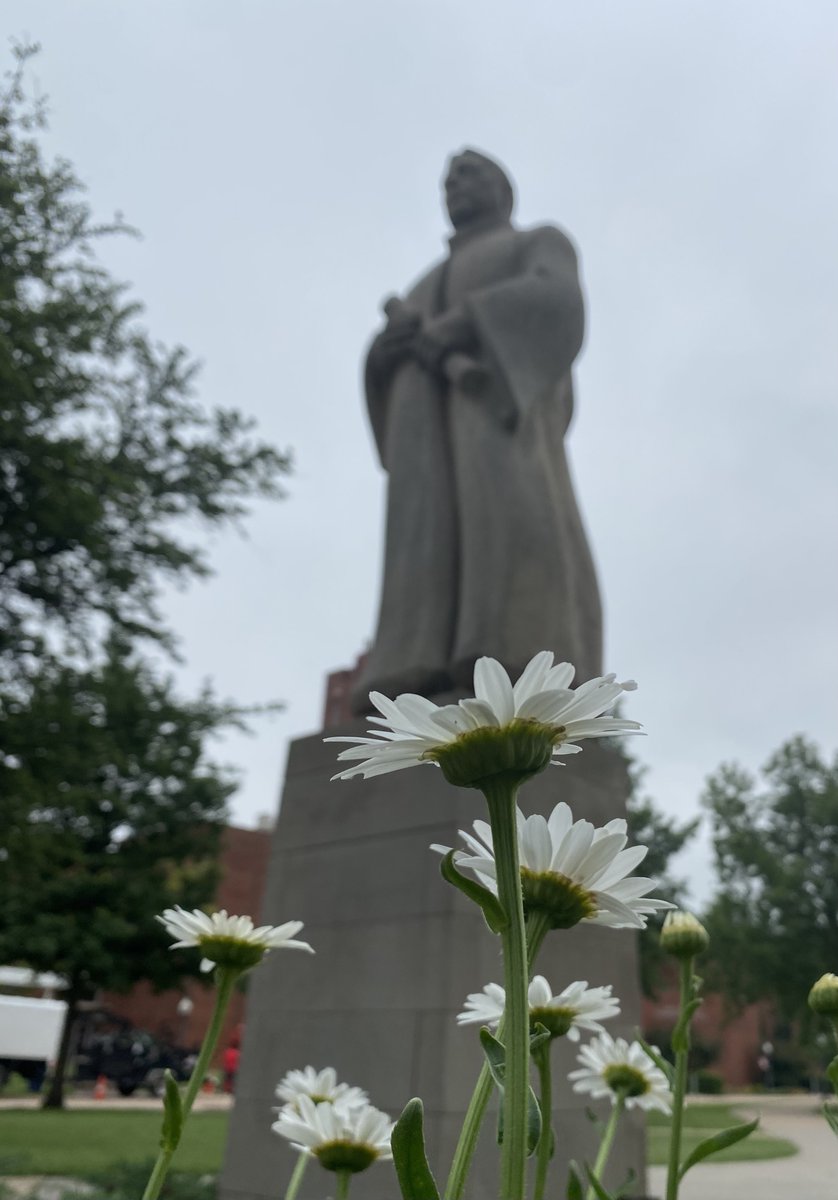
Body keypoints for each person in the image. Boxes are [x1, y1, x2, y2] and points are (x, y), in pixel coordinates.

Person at [352, 149, 602, 712]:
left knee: (509, 527)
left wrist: (464, 324)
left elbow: (558, 300)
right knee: (421, 547)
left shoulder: (535, 242)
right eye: (447, 180)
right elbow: (381, 357)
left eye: (471, 174)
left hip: (493, 419)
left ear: (504, 189)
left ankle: (514, 655)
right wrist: (385, 352)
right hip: (425, 447)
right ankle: (407, 670)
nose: (455, 185)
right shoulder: (424, 282)